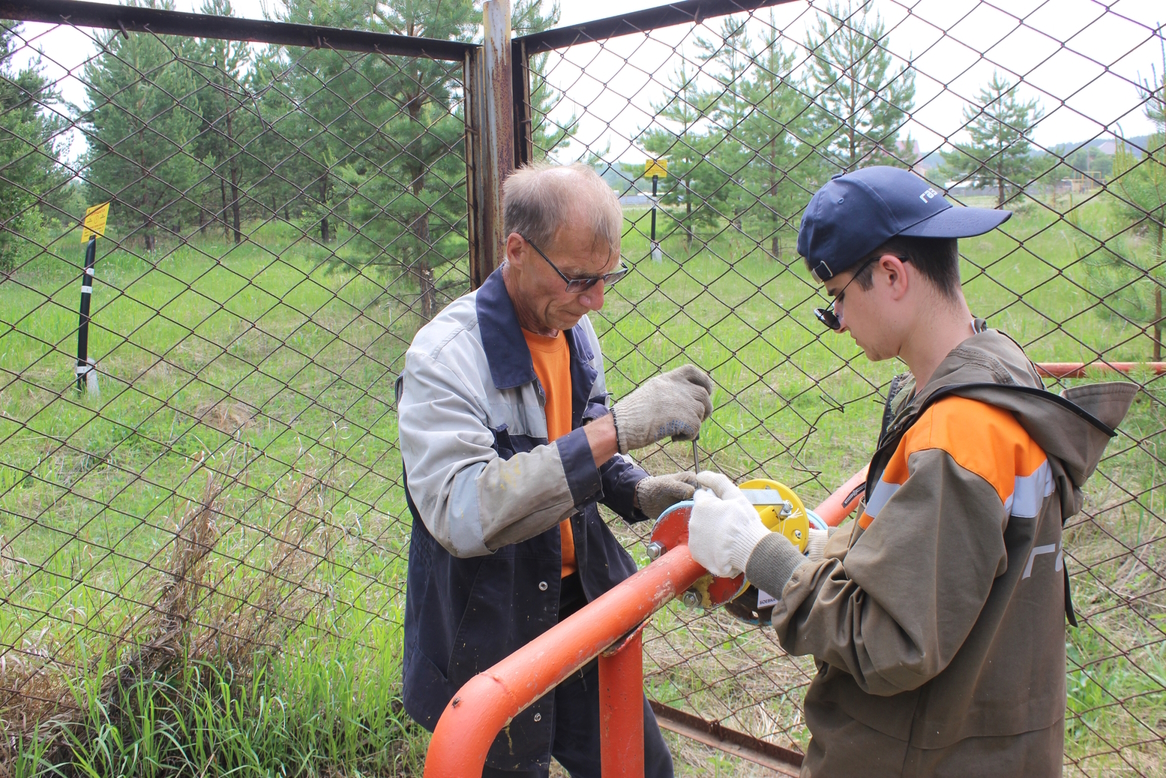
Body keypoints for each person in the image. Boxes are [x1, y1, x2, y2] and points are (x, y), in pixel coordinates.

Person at [686, 166, 1136, 777]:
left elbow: (888, 639)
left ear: (893, 275)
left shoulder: (957, 436)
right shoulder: (1007, 382)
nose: (839, 320)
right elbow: (955, 569)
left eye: (839, 296)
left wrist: (757, 553)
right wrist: (830, 550)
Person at [397, 161, 711, 777]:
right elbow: (464, 514)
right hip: (490, 619)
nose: (594, 299)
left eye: (606, 278)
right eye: (578, 279)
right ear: (516, 250)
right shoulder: (444, 360)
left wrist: (641, 489)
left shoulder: (573, 325)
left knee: (642, 770)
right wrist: (616, 430)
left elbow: (584, 439)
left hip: (581, 598)